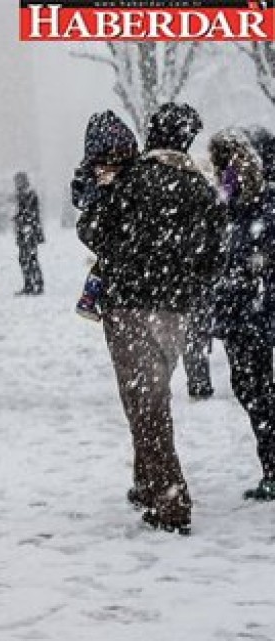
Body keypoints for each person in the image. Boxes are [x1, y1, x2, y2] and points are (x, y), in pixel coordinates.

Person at [78, 102, 227, 534]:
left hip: (128, 306)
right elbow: (216, 255)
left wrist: (124, 252)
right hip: (176, 310)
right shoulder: (200, 188)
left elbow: (91, 229)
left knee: (145, 404)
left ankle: (170, 500)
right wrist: (185, 280)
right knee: (151, 398)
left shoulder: (132, 180)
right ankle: (147, 482)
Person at [209, 128, 275, 501]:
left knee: (259, 389)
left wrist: (254, 265)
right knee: (247, 388)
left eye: (229, 162)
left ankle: (272, 467)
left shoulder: (262, 201)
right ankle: (270, 464)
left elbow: (261, 246)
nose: (224, 170)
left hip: (255, 308)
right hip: (237, 311)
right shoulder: (226, 200)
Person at [72, 110, 141, 322]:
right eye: (106, 161)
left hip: (127, 283)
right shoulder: (97, 185)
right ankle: (89, 297)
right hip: (123, 284)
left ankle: (89, 297)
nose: (110, 168)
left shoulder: (132, 180)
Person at [13, 171, 45, 296]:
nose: (16, 184)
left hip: (29, 231)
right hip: (24, 231)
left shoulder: (30, 194)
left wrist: (21, 219)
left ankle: (37, 284)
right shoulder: (22, 194)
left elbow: (31, 213)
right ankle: (29, 284)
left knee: (30, 259)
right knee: (23, 259)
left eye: (18, 181)